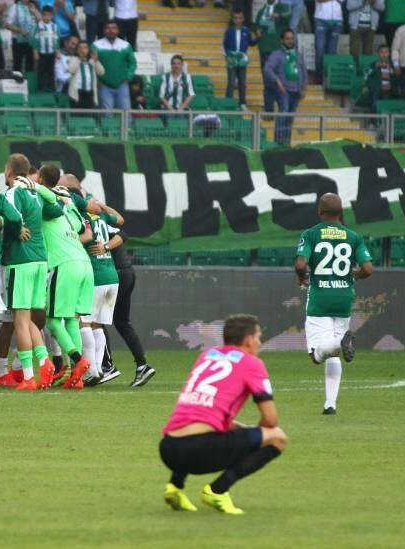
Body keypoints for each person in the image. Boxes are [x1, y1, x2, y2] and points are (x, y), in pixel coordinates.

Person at [159, 314, 287, 514]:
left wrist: (244, 432)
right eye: (259, 337)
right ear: (249, 340)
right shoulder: (252, 363)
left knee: (208, 426)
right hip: (199, 451)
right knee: (277, 438)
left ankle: (174, 487)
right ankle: (218, 491)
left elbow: (208, 412)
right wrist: (256, 434)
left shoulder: (207, 356)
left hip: (168, 449)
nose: (260, 343)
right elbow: (271, 420)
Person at [294, 193, 373, 415]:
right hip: (344, 298)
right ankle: (330, 404)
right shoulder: (353, 236)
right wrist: (353, 276)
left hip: (320, 299)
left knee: (316, 355)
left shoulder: (311, 234)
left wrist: (302, 278)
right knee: (334, 352)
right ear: (341, 212)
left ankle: (341, 341)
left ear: (320, 212)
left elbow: (301, 264)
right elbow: (367, 269)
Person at [1, 154, 61, 391]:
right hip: (40, 261)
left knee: (20, 320)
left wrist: (16, 229)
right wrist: (38, 187)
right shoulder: (36, 193)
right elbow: (56, 210)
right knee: (29, 320)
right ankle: (45, 363)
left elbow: (12, 216)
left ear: (8, 170)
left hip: (22, 260)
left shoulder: (13, 191)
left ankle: (28, 376)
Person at [35, 164, 93, 389]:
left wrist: (30, 185)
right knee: (71, 320)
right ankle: (76, 378)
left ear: (39, 178)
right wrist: (65, 197)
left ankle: (79, 362)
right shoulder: (68, 206)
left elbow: (39, 193)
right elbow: (80, 228)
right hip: (84, 264)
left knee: (51, 320)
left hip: (65, 264)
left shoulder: (45, 202)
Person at [104, 223, 155, 386]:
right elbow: (120, 223)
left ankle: (106, 366)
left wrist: (105, 246)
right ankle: (142, 365)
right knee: (122, 322)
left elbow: (123, 234)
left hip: (117, 273)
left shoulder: (89, 220)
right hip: (127, 272)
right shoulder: (102, 217)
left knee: (95, 321)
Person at [81, 196, 124, 384]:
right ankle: (98, 369)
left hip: (96, 277)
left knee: (86, 323)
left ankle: (91, 369)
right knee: (98, 325)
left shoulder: (83, 217)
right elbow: (121, 221)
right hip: (112, 277)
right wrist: (103, 206)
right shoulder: (103, 218)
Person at [264, 29, 307, 145]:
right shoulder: (276, 54)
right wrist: (277, 81)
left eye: (292, 38)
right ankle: (277, 142)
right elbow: (267, 69)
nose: (290, 41)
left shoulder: (298, 55)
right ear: (282, 40)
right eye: (287, 38)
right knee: (283, 112)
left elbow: (303, 72)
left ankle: (286, 143)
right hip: (284, 91)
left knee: (290, 118)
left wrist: (304, 88)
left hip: (296, 91)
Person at [92, 20, 137, 111]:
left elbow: (133, 63)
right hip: (103, 85)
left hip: (122, 85)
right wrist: (97, 80)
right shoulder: (96, 45)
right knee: (107, 115)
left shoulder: (126, 45)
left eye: (113, 28)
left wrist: (128, 77)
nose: (111, 30)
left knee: (126, 114)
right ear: (104, 31)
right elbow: (92, 64)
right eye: (108, 28)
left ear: (118, 30)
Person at [223, 10, 252, 107]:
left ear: (243, 19)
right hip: (232, 59)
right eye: (235, 18)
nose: (237, 20)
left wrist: (258, 38)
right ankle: (228, 101)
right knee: (231, 82)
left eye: (240, 18)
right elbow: (225, 45)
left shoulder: (246, 31)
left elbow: (251, 42)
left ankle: (242, 102)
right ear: (232, 19)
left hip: (242, 59)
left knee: (242, 82)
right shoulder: (229, 31)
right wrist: (228, 57)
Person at [253, 0, 290, 72]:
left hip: (278, 46)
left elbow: (289, 16)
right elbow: (256, 25)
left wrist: (279, 15)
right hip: (264, 46)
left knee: (279, 73)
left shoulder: (283, 7)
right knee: (265, 72)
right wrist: (257, 30)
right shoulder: (261, 11)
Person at [4, 0, 39, 73]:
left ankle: (29, 83)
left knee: (30, 66)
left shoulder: (33, 6)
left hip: (31, 41)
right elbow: (7, 25)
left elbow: (41, 23)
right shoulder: (15, 7)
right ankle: (17, 83)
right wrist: (19, 30)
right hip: (18, 41)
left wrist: (35, 12)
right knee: (17, 66)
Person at [313, 0, 344, 82]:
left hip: (337, 19)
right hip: (321, 19)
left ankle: (329, 78)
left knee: (332, 52)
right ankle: (319, 77)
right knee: (320, 49)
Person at [68, 39, 104, 107]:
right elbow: (71, 70)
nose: (82, 50)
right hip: (77, 93)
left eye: (85, 48)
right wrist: (80, 59)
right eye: (80, 48)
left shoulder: (92, 61)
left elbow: (101, 72)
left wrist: (96, 61)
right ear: (77, 50)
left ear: (88, 50)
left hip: (90, 93)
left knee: (90, 115)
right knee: (76, 116)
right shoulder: (73, 59)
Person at [362, 44, 398, 111]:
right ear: (378, 54)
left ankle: (384, 121)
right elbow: (367, 75)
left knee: (386, 107)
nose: (384, 54)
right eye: (381, 52)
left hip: (388, 91)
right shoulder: (373, 64)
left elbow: (396, 77)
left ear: (389, 53)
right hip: (376, 90)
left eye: (386, 52)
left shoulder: (392, 65)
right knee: (375, 105)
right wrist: (376, 67)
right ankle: (374, 120)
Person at [347, 0, 383, 65]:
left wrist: (374, 3)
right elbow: (349, 7)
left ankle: (366, 71)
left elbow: (382, 7)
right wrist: (362, 2)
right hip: (355, 26)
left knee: (368, 51)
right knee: (354, 51)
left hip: (371, 27)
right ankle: (354, 69)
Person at [34, 5, 58, 92]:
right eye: (44, 15)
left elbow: (56, 39)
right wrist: (35, 52)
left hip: (51, 53)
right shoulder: (39, 26)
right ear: (41, 15)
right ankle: (41, 88)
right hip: (42, 53)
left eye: (49, 15)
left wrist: (57, 51)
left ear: (52, 16)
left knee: (51, 70)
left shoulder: (54, 27)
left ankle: (51, 88)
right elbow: (35, 39)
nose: (47, 17)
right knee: (41, 71)